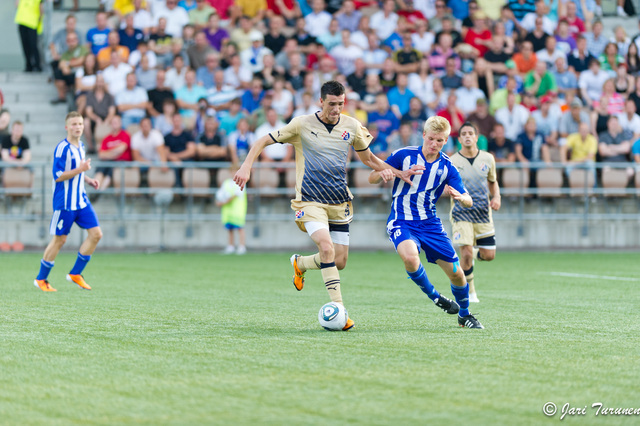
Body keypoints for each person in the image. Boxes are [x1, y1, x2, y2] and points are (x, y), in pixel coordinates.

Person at [233, 80, 422, 331]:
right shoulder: (301, 124)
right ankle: (341, 312)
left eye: (341, 104)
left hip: (338, 201)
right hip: (309, 201)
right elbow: (262, 141)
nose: (336, 109)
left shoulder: (352, 126)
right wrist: (246, 166)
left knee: (338, 260)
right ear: (320, 102)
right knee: (326, 246)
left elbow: (368, 158)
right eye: (332, 104)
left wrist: (397, 172)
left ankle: (300, 264)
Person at [368, 116, 484, 328]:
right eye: (431, 138)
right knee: (411, 258)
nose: (434, 144)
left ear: (446, 140)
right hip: (401, 220)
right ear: (423, 135)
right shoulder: (403, 155)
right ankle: (436, 297)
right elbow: (372, 177)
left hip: (430, 225)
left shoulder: (447, 167)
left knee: (457, 274)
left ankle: (465, 315)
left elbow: (468, 199)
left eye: (440, 141)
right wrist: (383, 173)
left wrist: (462, 198)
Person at [34, 112, 103, 292]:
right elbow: (58, 176)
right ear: (67, 127)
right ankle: (41, 279)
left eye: (80, 124)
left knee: (96, 234)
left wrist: (88, 179)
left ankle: (75, 274)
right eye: (74, 124)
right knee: (60, 240)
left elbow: (76, 171)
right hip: (65, 202)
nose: (78, 127)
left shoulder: (80, 146)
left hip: (81, 200)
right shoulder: (62, 148)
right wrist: (80, 169)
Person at [448, 123, 500, 304]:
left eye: (471, 133)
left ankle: (471, 255)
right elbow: (445, 186)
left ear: (477, 137)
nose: (468, 136)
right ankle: (470, 292)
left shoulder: (488, 158)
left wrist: (497, 197)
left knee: (489, 256)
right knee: (467, 254)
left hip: (483, 213)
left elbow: (493, 181)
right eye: (464, 134)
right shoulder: (452, 161)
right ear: (460, 139)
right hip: (461, 213)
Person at [93, 115, 132, 191]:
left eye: (117, 122)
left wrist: (107, 153)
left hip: (122, 162)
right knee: (100, 167)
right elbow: (101, 154)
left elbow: (121, 149)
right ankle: (96, 189)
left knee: (112, 168)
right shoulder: (107, 138)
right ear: (110, 124)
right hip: (109, 161)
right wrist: (115, 153)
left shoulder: (125, 135)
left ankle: (101, 191)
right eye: (113, 122)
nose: (115, 124)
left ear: (120, 123)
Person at [216, 167, 248, 255]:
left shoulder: (241, 182)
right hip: (228, 211)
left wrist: (224, 201)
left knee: (240, 228)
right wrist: (219, 201)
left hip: (237, 210)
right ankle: (231, 246)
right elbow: (220, 194)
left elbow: (236, 194)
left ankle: (242, 246)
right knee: (230, 229)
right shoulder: (226, 183)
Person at [15, 0, 43, 72]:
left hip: (32, 23)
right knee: (25, 45)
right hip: (22, 22)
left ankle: (37, 65)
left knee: (33, 45)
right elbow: (17, 5)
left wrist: (39, 22)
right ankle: (28, 65)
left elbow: (41, 10)